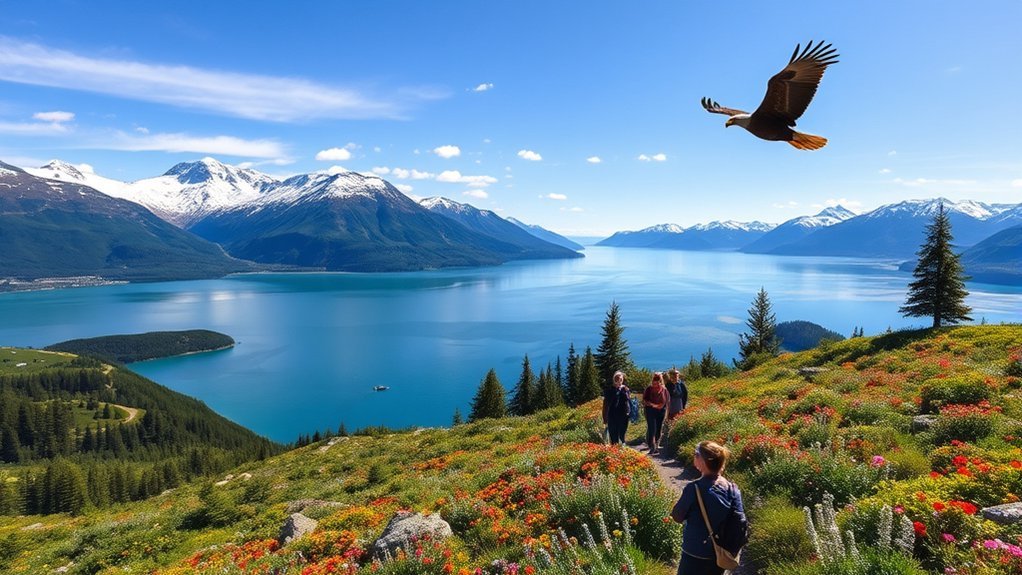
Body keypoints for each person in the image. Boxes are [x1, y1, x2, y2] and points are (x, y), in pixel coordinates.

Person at [670, 441, 745, 575]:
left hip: (694, 551)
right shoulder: (732, 489)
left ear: (701, 460)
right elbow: (740, 520)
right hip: (719, 552)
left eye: (695, 454)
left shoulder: (694, 488)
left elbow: (677, 516)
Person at [642, 371, 669, 454]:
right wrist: (650, 404)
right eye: (653, 383)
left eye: (656, 383)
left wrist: (667, 413)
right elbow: (644, 400)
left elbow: (666, 402)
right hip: (650, 411)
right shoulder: (649, 389)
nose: (654, 385)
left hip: (661, 411)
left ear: (660, 382)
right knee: (652, 428)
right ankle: (652, 446)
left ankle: (656, 444)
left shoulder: (664, 390)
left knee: (658, 429)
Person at [602, 370, 630, 446]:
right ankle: (615, 454)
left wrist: (623, 391)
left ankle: (622, 453)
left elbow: (627, 400)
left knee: (622, 436)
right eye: (617, 380)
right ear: (614, 380)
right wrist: (605, 419)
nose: (619, 382)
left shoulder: (625, 389)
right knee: (614, 438)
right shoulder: (609, 391)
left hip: (623, 416)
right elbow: (606, 405)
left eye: (621, 379)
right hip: (612, 416)